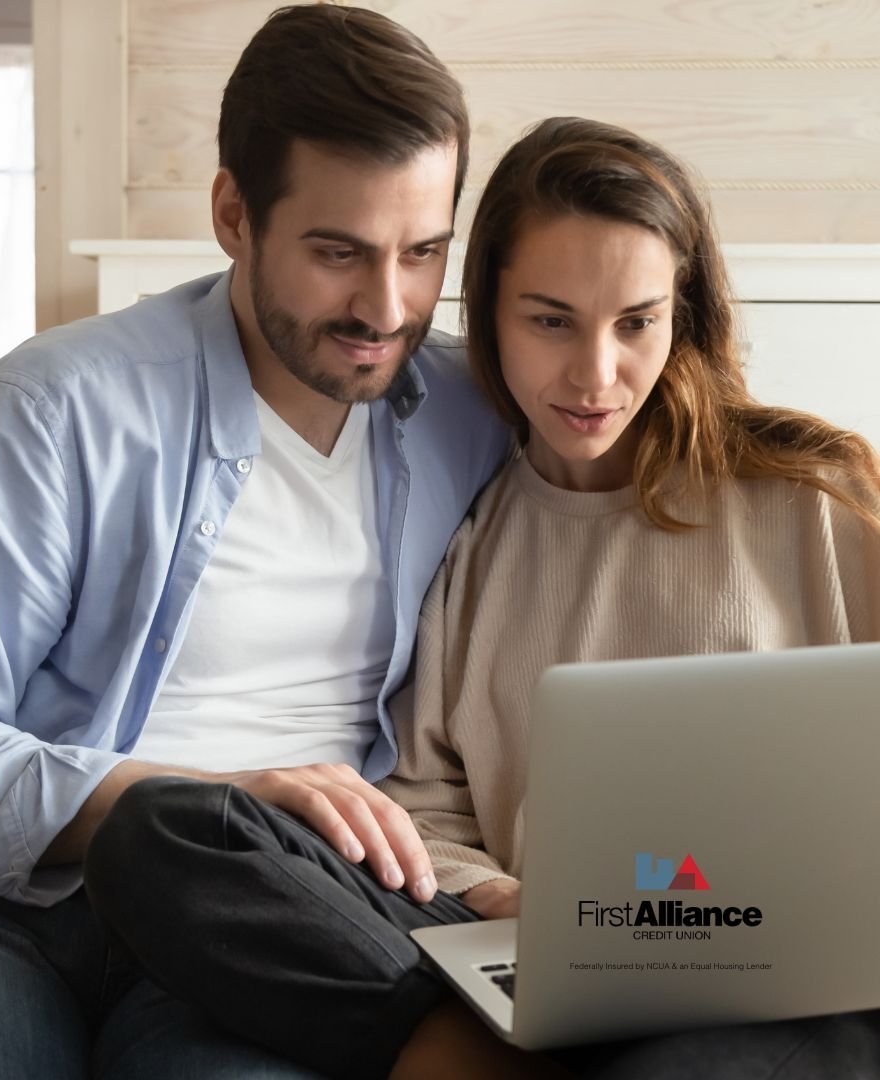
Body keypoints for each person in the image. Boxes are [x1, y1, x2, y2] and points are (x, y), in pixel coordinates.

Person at [82, 117, 880, 1079]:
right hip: (529, 950)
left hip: (770, 978)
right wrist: (506, 902)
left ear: (684, 313)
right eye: (550, 320)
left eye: (636, 322)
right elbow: (425, 806)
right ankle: (477, 1044)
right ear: (488, 312)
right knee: (162, 830)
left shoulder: (820, 497)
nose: (595, 374)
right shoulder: (469, 529)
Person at [0, 7, 510, 1076]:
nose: (387, 305)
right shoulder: (56, 407)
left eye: (423, 253)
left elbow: (655, 431)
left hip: (277, 929)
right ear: (233, 213)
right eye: (337, 252)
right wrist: (180, 802)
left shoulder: (470, 406)